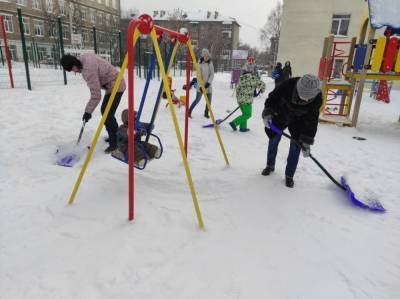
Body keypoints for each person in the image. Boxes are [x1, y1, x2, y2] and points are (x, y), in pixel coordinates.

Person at [261, 74, 322, 188]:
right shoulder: (287, 85)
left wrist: (307, 141)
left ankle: (289, 175)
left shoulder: (317, 99)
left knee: (296, 147)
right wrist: (267, 113)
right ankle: (270, 165)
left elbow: (312, 120)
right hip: (281, 115)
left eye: (308, 98)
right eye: (302, 95)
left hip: (299, 121)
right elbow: (272, 98)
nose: (304, 99)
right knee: (273, 140)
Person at [60, 53, 125, 153]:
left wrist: (88, 112)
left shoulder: (88, 71)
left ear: (73, 65)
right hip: (113, 83)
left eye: (72, 69)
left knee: (107, 113)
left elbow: (96, 95)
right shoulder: (84, 58)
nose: (74, 72)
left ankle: (114, 142)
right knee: (107, 112)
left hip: (116, 85)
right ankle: (115, 136)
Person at [188, 48, 214, 118]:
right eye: (205, 56)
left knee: (209, 101)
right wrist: (201, 86)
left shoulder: (210, 63)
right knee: (197, 100)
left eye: (207, 56)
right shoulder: (199, 64)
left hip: (208, 85)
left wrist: (208, 83)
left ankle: (206, 113)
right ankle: (189, 111)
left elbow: (212, 74)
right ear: (203, 56)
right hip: (201, 85)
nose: (206, 57)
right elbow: (198, 76)